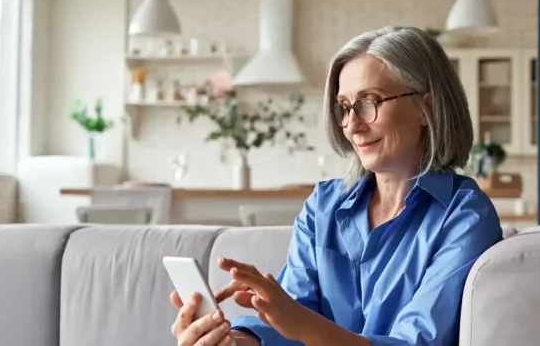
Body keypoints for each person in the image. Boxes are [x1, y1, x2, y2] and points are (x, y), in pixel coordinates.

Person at [169, 25, 503, 346]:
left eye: (369, 101)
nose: (351, 125)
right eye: (344, 107)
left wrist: (300, 324)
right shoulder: (323, 205)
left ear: (426, 106)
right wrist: (229, 340)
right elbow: (287, 327)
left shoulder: (465, 216)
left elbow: (415, 341)